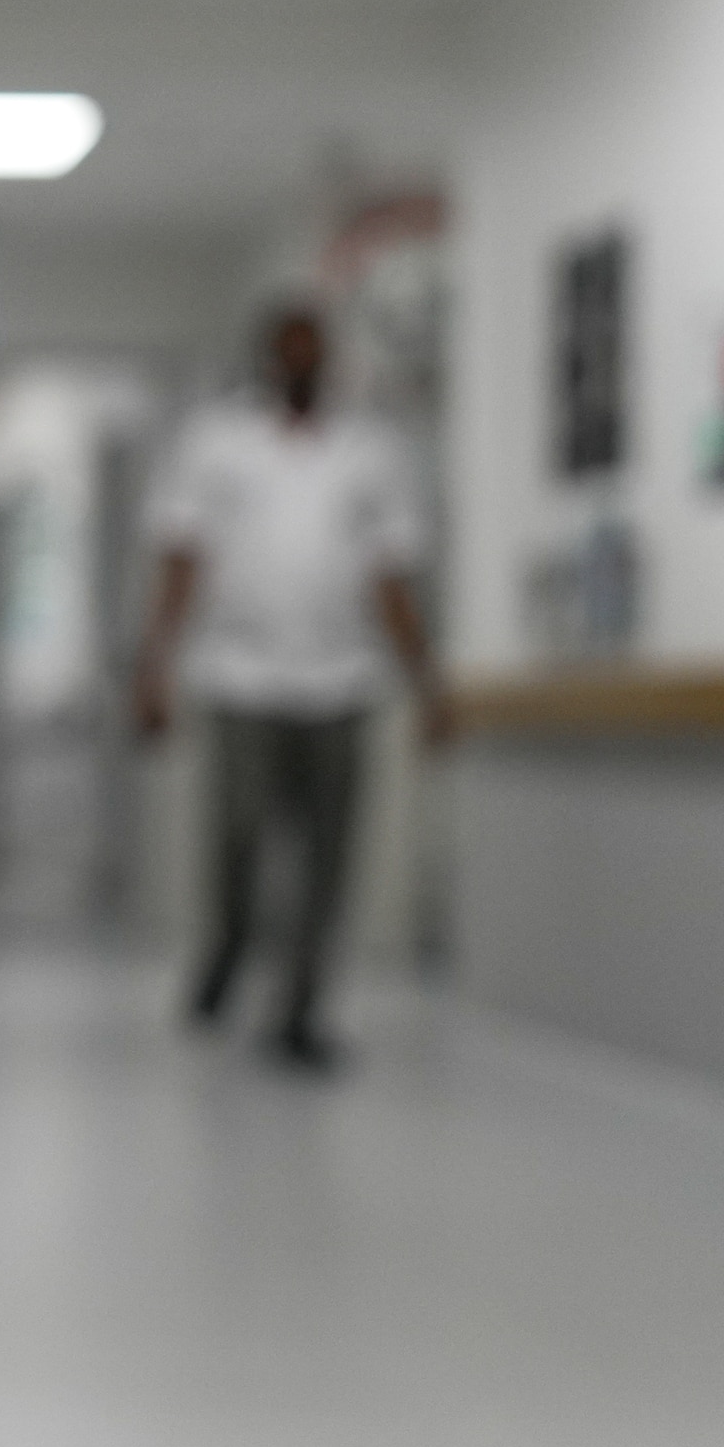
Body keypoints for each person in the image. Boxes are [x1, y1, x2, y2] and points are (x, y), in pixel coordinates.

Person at [128, 301, 444, 1070]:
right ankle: (229, 946)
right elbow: (182, 560)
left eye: (315, 351)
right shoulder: (215, 445)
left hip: (342, 679)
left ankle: (302, 1008)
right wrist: (154, 666)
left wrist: (427, 682)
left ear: (331, 360)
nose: (303, 365)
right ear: (267, 360)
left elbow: (392, 577)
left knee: (330, 851)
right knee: (238, 833)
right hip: (238, 676)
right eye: (289, 352)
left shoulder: (371, 453)